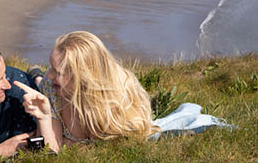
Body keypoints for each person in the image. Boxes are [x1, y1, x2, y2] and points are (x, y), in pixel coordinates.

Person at [14, 31, 158, 153]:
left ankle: (36, 75)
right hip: (56, 90)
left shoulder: (119, 96)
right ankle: (37, 76)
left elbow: (129, 138)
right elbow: (52, 151)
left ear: (82, 77)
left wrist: (68, 143)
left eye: (57, 72)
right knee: (43, 82)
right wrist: (44, 117)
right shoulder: (50, 86)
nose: (50, 75)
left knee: (42, 81)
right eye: (50, 67)